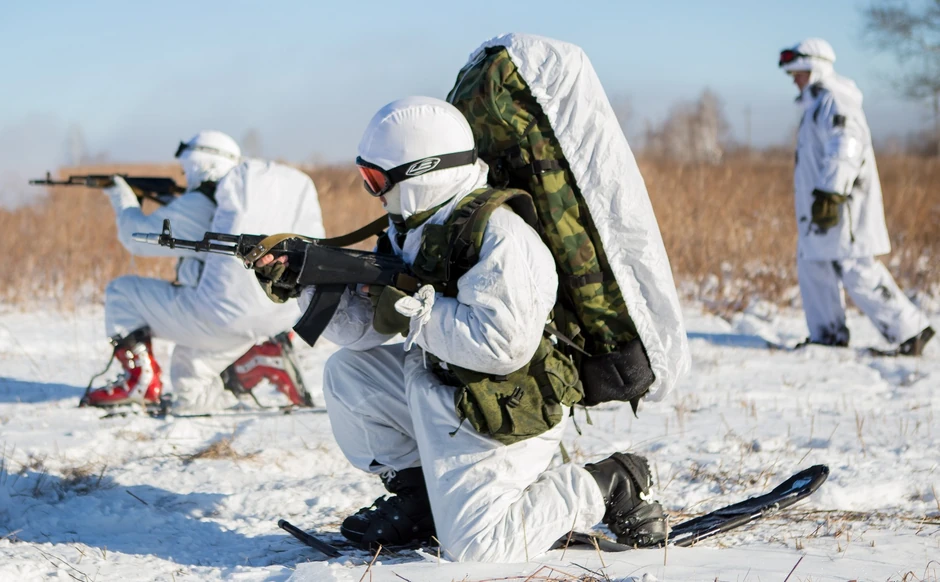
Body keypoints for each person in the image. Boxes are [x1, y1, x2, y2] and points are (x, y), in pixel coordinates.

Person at [264, 97, 670, 562]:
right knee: (347, 375)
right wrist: (301, 287)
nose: (373, 193)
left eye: (377, 180)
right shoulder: (413, 228)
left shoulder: (500, 236)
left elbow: (502, 345)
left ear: (424, 172)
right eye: (366, 178)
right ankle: (421, 501)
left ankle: (610, 481)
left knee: (479, 548)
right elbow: (367, 334)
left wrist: (411, 311)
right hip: (444, 386)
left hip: (501, 409)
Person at [82, 130, 325, 412]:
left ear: (199, 163)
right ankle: (257, 359)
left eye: (186, 170)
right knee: (189, 386)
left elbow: (134, 237)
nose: (185, 179)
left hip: (219, 318)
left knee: (121, 293)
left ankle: (138, 383)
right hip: (275, 321)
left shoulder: (203, 202)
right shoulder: (250, 202)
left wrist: (121, 196)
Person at [778, 38, 934, 355]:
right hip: (819, 208)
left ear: (816, 68)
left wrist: (832, 192)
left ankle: (912, 331)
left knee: (856, 268)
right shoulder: (815, 105)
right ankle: (827, 335)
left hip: (840, 207)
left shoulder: (836, 100)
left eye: (799, 72)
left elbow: (846, 145)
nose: (794, 79)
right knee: (814, 264)